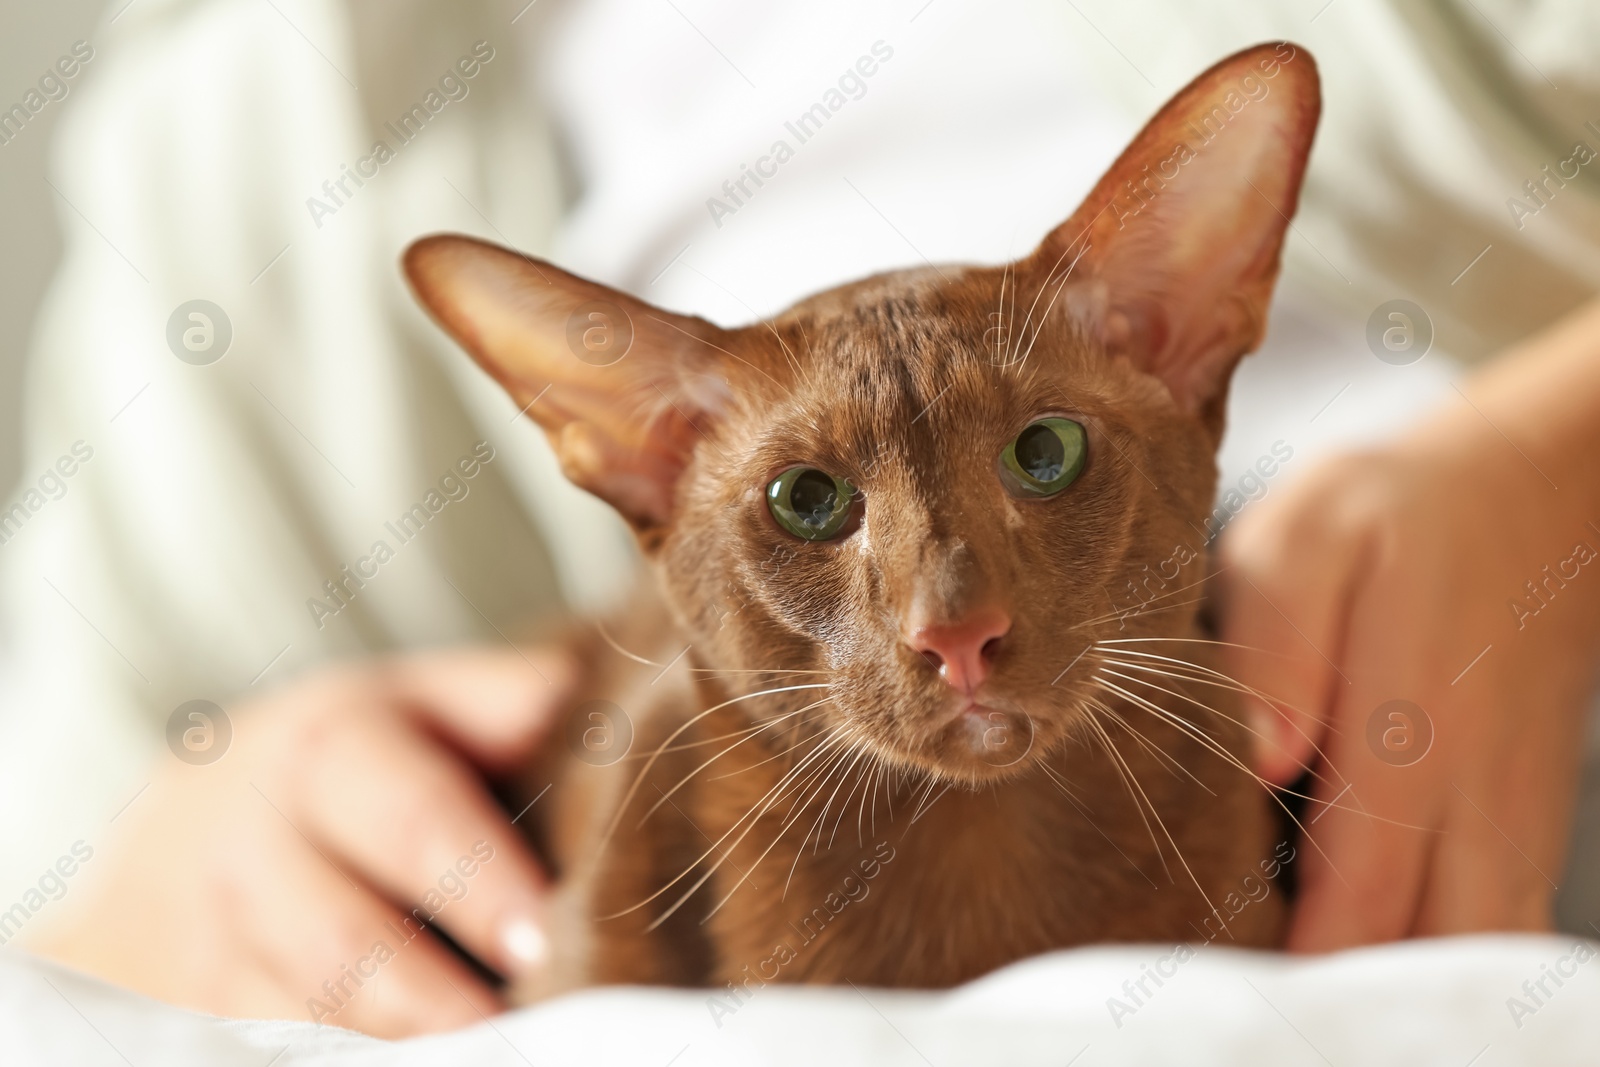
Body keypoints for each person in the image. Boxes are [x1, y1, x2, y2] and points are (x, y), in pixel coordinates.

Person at [6, 0, 1599, 1037]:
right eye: (813, 504)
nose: (950, 615)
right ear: (634, 456)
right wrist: (178, 853)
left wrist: (1561, 458)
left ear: (1185, 337)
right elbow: (62, 904)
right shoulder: (240, 115)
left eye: (1045, 459)